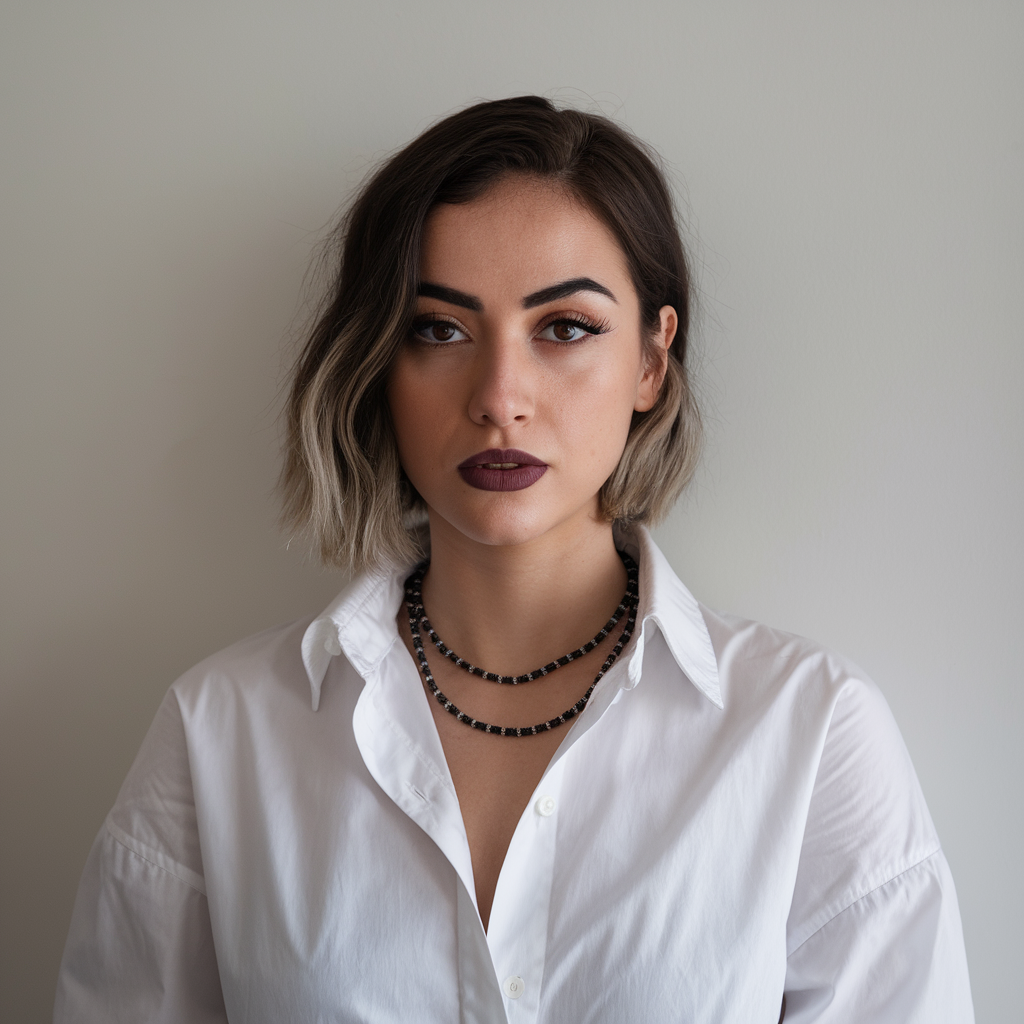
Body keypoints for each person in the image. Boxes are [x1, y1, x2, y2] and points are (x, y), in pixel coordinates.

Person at [54, 96, 974, 1023]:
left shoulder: (810, 733)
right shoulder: (221, 733)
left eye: (565, 327)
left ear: (654, 361)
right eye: (438, 329)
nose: (500, 397)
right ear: (380, 364)